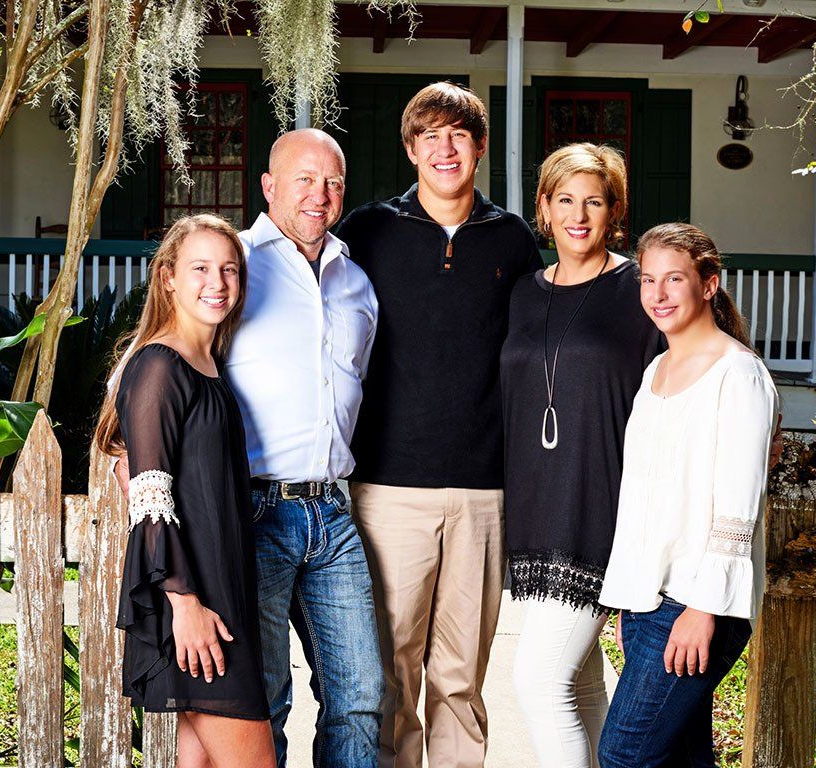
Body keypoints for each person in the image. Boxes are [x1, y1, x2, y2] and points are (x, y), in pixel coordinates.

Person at [116, 129, 384, 768]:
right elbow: (142, 450)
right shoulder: (238, 268)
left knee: (361, 697)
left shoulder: (356, 283)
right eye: (303, 179)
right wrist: (183, 597)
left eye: (333, 182)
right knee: (263, 703)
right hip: (249, 522)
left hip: (333, 512)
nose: (320, 195)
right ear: (268, 187)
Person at [336, 82, 543, 768]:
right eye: (430, 136)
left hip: (485, 489)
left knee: (459, 676)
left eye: (459, 135)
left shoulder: (511, 238)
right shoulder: (367, 231)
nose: (444, 149)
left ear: (480, 147)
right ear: (410, 149)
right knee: (389, 669)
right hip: (389, 485)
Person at [500, 143, 664, 768]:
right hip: (538, 510)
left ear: (614, 211)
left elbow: (710, 360)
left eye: (593, 201)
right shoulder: (521, 292)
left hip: (602, 510)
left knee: (538, 684)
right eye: (564, 199)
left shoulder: (640, 287)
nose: (578, 214)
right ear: (543, 209)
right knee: (582, 684)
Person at [95, 214, 276, 768]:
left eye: (228, 270)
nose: (216, 282)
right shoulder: (159, 365)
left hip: (223, 591)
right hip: (196, 601)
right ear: (168, 277)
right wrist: (184, 603)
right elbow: (150, 499)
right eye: (200, 268)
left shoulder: (208, 366)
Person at [597, 223, 779, 767]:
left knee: (623, 753)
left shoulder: (738, 375)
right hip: (652, 602)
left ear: (707, 284)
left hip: (698, 603)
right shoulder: (656, 371)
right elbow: (646, 497)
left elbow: (738, 504)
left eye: (674, 279)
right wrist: (629, 597)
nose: (657, 294)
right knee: (681, 754)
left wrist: (703, 608)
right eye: (647, 280)